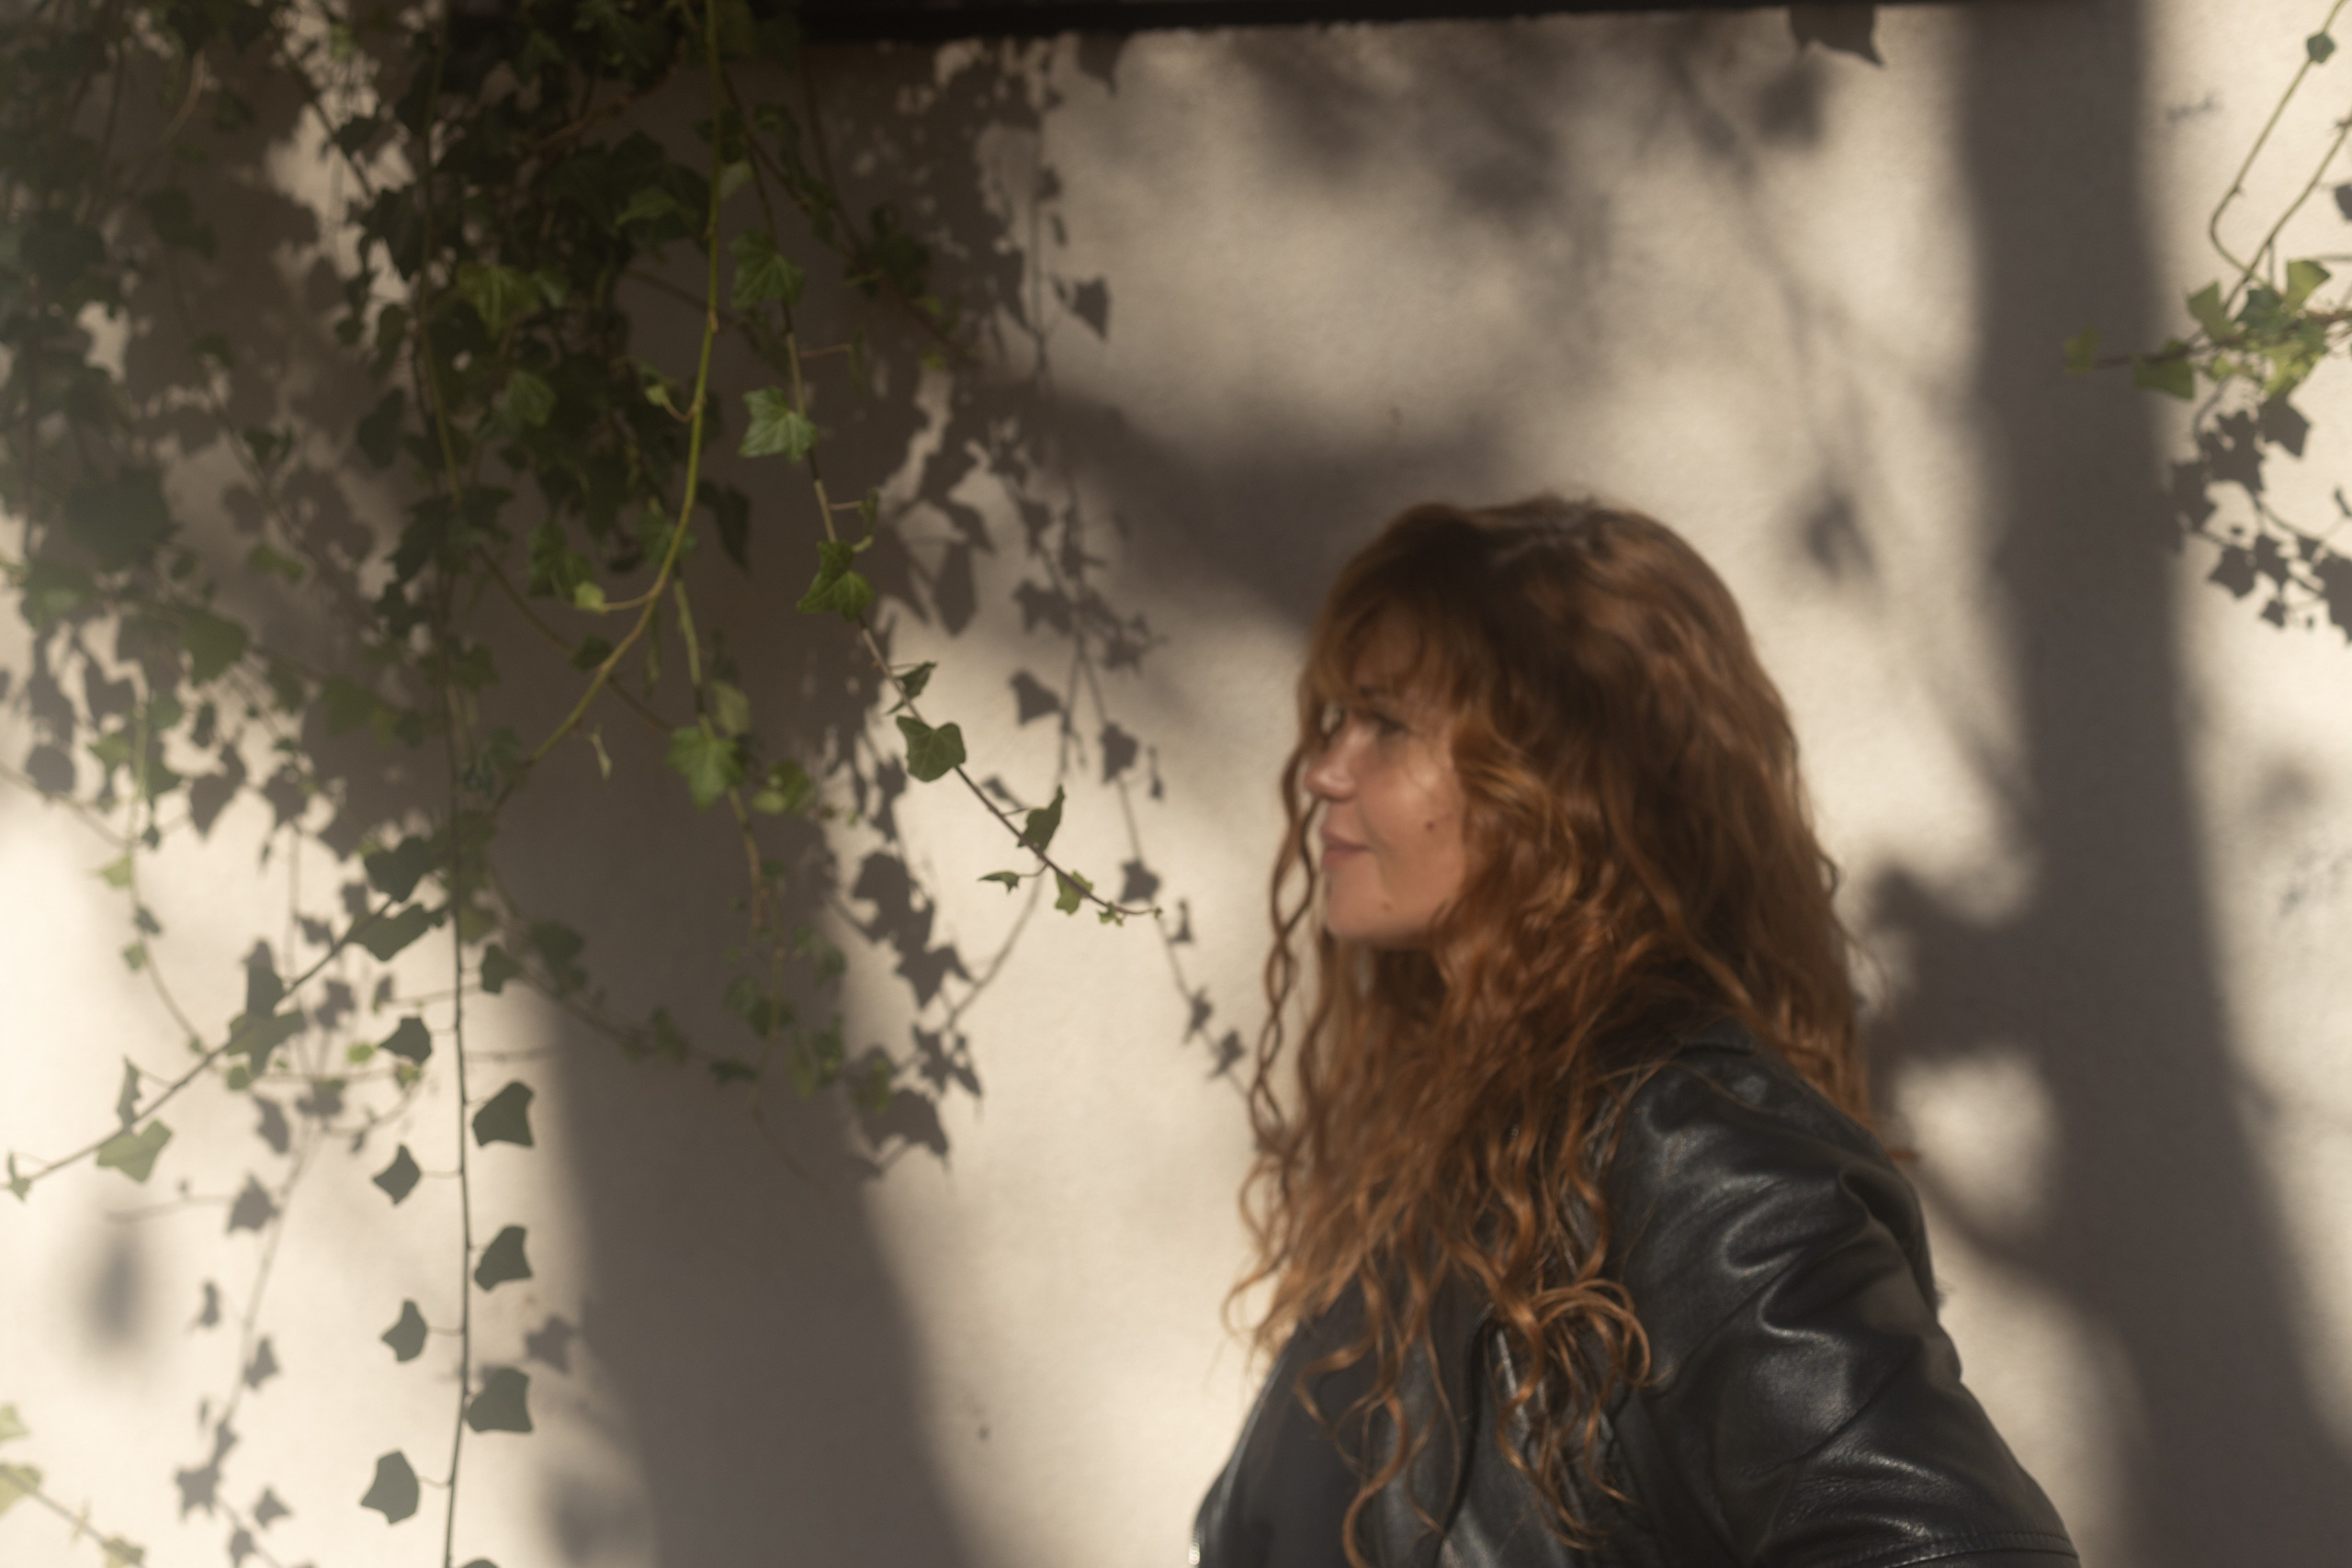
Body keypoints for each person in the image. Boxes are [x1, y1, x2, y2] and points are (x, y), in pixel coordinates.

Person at [1192, 498, 2077, 1568]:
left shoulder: (1692, 1152)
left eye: (1387, 724)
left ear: (1559, 777)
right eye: (1335, 720)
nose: (1327, 770)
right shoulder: (1467, 1153)